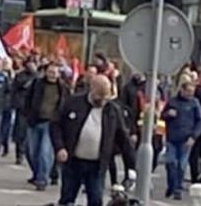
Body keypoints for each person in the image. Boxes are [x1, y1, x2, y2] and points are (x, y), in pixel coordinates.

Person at [51, 74, 134, 206]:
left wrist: (131, 166)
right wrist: (60, 147)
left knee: (95, 199)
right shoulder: (73, 102)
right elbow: (56, 125)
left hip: (97, 164)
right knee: (67, 198)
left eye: (105, 97)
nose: (101, 101)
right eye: (98, 96)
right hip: (73, 161)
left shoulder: (113, 111)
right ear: (91, 89)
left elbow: (123, 138)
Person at [25, 61, 66, 192]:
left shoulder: (63, 88)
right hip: (35, 121)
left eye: (55, 73)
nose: (52, 75)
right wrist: (27, 113)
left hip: (51, 123)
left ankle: (42, 179)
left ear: (59, 74)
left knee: (45, 152)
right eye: (50, 72)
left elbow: (65, 105)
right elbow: (27, 99)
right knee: (32, 152)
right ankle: (37, 173)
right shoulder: (37, 84)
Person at [162, 81, 201, 200]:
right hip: (172, 137)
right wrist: (167, 114)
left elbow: (200, 121)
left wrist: (194, 136)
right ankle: (171, 185)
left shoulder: (195, 103)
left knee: (181, 165)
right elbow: (162, 116)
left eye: (192, 92)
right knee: (171, 163)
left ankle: (178, 189)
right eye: (188, 91)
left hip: (186, 139)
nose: (190, 94)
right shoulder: (173, 102)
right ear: (182, 90)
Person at [12, 57, 38, 166]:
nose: (32, 66)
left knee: (32, 137)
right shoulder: (20, 76)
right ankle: (19, 155)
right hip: (22, 108)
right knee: (21, 134)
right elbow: (15, 88)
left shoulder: (39, 78)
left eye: (33, 64)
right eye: (30, 63)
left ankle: (31, 156)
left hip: (34, 111)